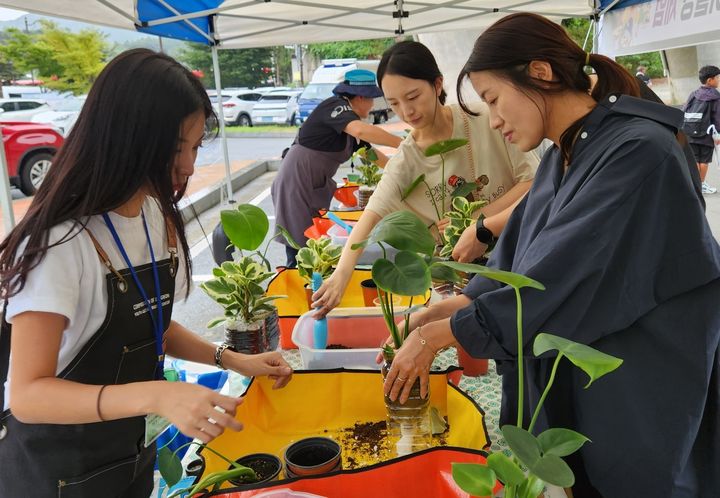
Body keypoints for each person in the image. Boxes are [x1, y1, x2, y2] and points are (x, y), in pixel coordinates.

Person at [383, 13, 720, 498]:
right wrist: (445, 311)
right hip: (589, 380)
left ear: (539, 73)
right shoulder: (567, 154)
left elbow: (564, 281)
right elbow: (521, 262)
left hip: (638, 383)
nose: (494, 121)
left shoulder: (639, 152)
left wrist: (445, 334)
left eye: (495, 100)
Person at [0, 49, 293, 497]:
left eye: (195, 148)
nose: (189, 166)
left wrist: (230, 359)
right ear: (127, 137)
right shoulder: (59, 243)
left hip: (130, 453)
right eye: (178, 149)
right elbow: (28, 394)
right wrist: (156, 395)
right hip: (57, 473)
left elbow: (150, 324)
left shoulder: (152, 215)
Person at [311, 41, 538, 315]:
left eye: (413, 96)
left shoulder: (484, 117)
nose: (407, 112)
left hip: (524, 252)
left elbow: (533, 183)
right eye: (394, 103)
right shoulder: (406, 159)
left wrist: (480, 222)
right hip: (463, 278)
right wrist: (341, 273)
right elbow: (371, 216)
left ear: (438, 84)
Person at [271, 69, 402, 267]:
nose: (372, 105)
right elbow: (361, 130)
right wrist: (405, 144)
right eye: (370, 99)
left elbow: (371, 154)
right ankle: (298, 283)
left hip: (313, 182)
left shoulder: (348, 127)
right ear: (360, 97)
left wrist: (402, 170)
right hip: (296, 178)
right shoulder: (336, 107)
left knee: (316, 240)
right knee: (299, 243)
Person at [683, 65, 720, 194]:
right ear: (710, 80)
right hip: (706, 134)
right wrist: (718, 135)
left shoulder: (694, 93)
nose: (719, 80)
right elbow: (718, 117)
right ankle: (702, 185)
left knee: (694, 160)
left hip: (690, 132)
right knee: (704, 161)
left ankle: (695, 185)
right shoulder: (716, 96)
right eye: (717, 78)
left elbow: (684, 110)